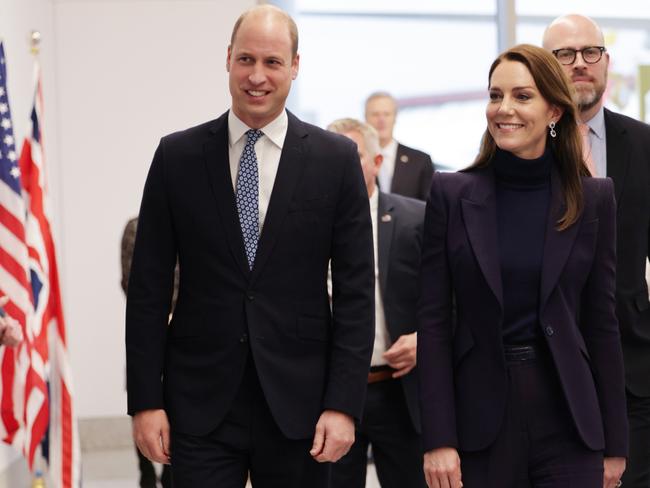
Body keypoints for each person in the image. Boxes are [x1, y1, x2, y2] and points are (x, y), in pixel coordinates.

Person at [125, 5, 375, 488]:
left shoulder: (335, 159)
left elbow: (356, 293)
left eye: (273, 62)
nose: (257, 76)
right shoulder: (177, 157)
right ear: (227, 60)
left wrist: (344, 404)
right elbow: (148, 290)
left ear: (295, 66)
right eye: (246, 60)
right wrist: (145, 401)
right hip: (199, 406)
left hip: (301, 406)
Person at [417, 44, 628, 488]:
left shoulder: (594, 199)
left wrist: (616, 444)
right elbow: (433, 324)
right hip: (480, 423)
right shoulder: (450, 194)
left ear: (554, 110)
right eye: (495, 96)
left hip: (571, 423)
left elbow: (602, 325)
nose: (503, 109)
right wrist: (438, 438)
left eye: (521, 96)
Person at [543, 15, 650, 487]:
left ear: (606, 62)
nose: (579, 64)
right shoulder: (519, 149)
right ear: (546, 66)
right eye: (564, 55)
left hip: (635, 373)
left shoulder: (645, 145)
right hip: (544, 372)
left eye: (590, 53)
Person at [327, 118, 426, 488]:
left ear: (378, 162)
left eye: (352, 157)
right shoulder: (305, 227)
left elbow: (449, 300)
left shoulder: (416, 219)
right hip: (335, 395)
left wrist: (425, 340)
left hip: (401, 392)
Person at [121, 217, 173, 488]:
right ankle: (145, 470)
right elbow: (131, 280)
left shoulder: (191, 221)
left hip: (188, 328)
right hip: (152, 328)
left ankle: (168, 471)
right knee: (143, 396)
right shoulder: (135, 228)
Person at [364, 92, 434, 201]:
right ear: (365, 118)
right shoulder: (357, 161)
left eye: (386, 114)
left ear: (395, 117)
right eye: (375, 114)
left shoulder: (420, 161)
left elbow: (430, 207)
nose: (381, 120)